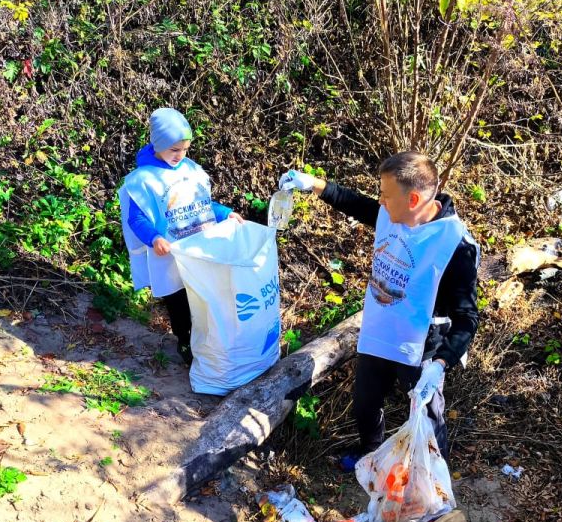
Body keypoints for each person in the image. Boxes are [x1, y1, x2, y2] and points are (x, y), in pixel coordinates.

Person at [279, 152, 479, 466]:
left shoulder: (456, 245)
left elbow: (468, 318)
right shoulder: (392, 213)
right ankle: (369, 455)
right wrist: (311, 183)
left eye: (386, 195)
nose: (381, 202)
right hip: (381, 330)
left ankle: (432, 477)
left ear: (413, 199)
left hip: (422, 347)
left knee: (426, 415)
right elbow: (355, 203)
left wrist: (440, 363)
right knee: (366, 403)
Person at [118, 108, 242, 365]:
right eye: (174, 149)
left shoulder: (191, 169)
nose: (181, 155)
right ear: (158, 145)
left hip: (199, 248)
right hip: (170, 253)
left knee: (206, 294)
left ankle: (209, 340)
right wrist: (154, 238)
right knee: (178, 300)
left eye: (185, 149)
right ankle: (185, 340)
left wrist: (225, 214)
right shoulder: (142, 180)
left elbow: (203, 205)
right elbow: (136, 218)